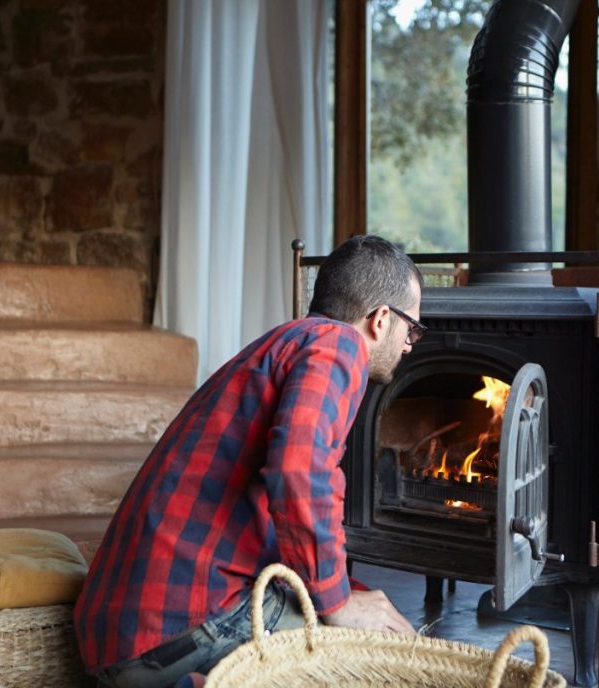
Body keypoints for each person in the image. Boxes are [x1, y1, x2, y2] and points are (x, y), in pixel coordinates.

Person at [75, 235, 426, 687]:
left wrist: (347, 595)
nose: (410, 345)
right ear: (380, 320)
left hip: (117, 636)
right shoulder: (338, 346)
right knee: (380, 665)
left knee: (363, 613)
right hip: (179, 631)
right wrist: (339, 604)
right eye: (412, 329)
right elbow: (301, 472)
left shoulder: (286, 342)